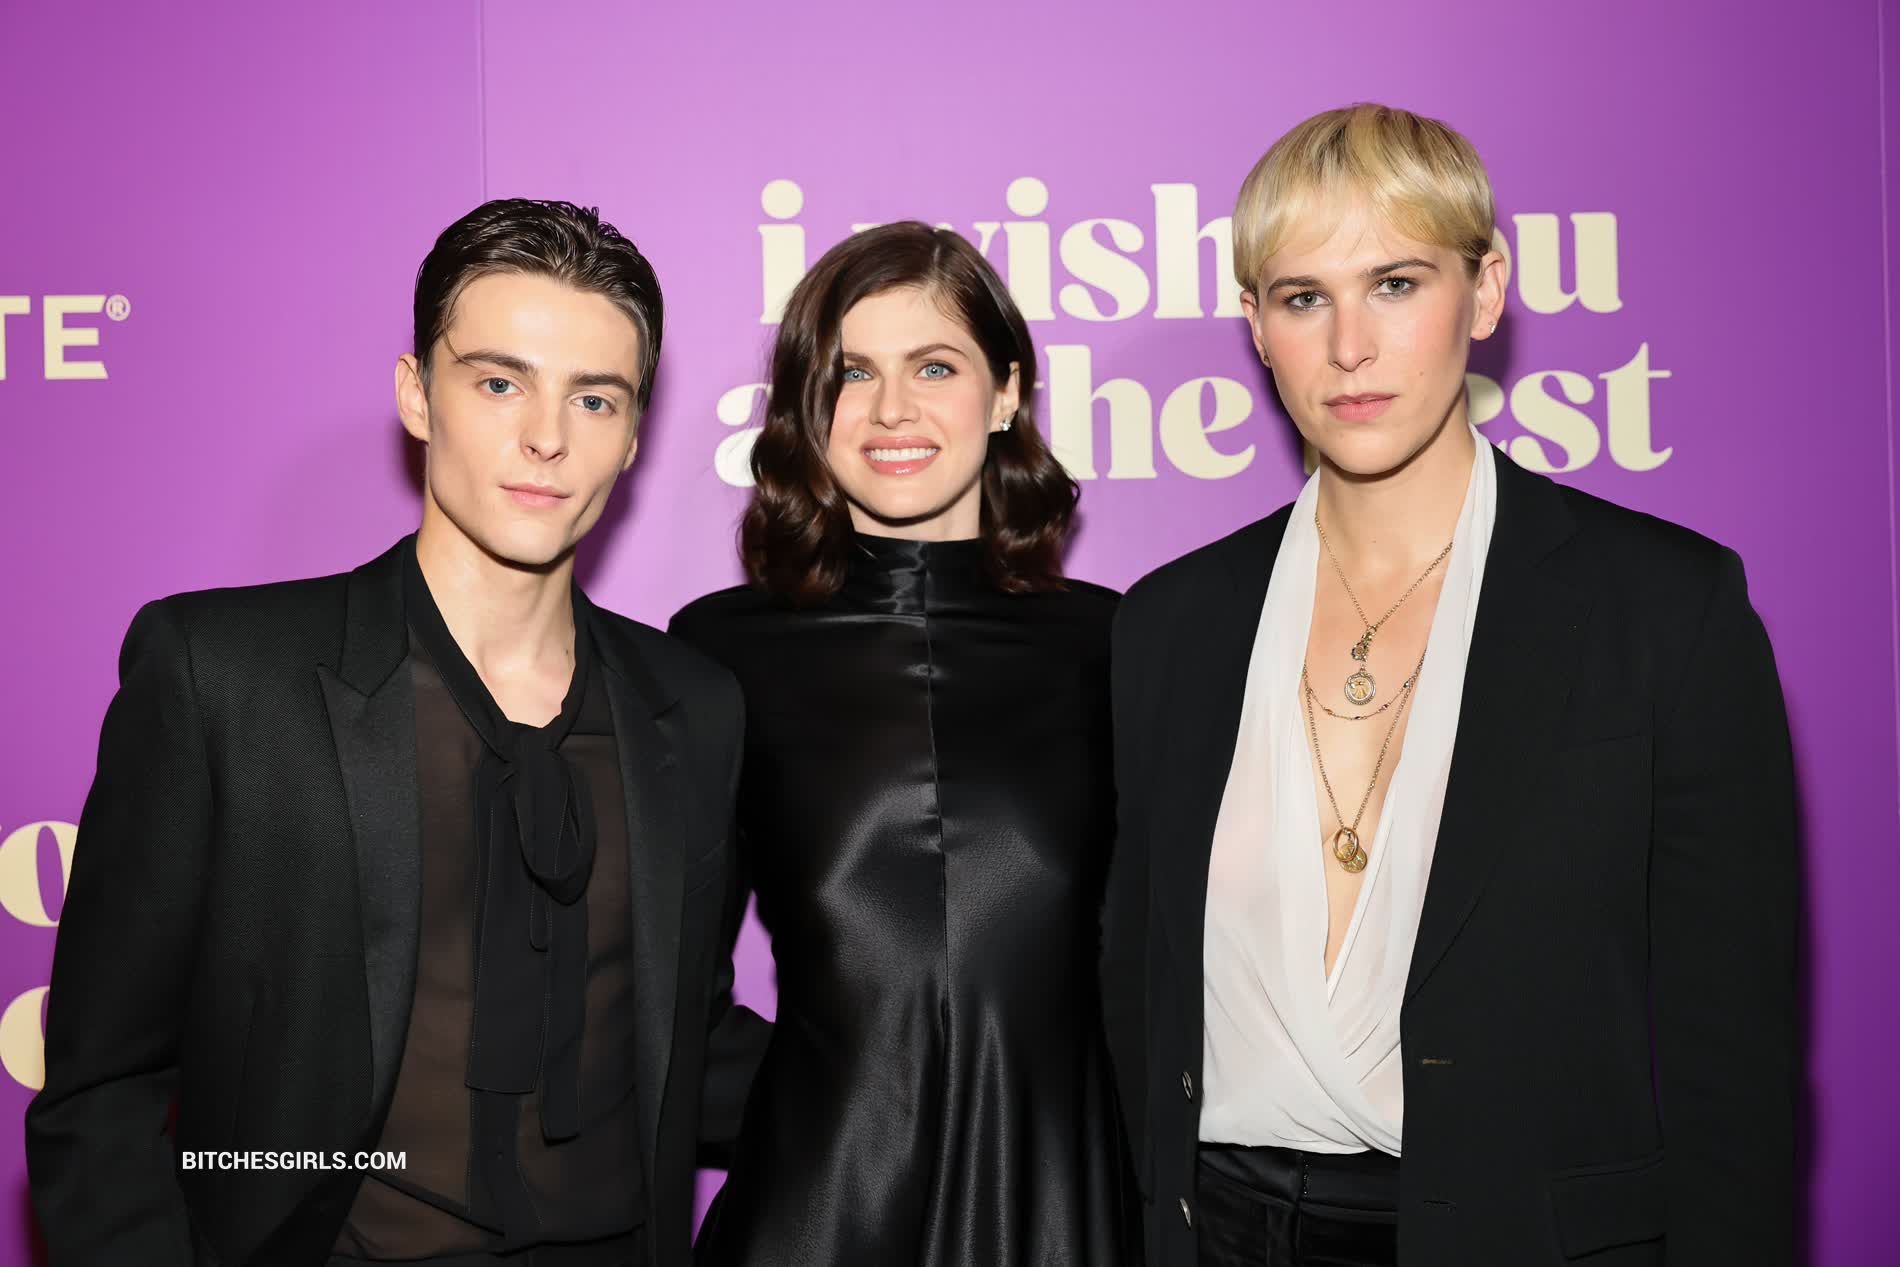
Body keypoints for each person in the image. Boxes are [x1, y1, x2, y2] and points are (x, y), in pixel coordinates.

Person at [1101, 104, 1799, 1267]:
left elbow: (1734, 1064)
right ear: (1256, 326)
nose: (1349, 346)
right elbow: (1135, 1000)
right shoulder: (1170, 623)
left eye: (1394, 283)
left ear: (1484, 291)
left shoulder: (1663, 608)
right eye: (1303, 296)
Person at [26, 198, 767, 1267]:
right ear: (418, 395)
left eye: (594, 397)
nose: (547, 437)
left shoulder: (693, 706)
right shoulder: (225, 677)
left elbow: (688, 1040)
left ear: (633, 436)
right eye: (499, 382)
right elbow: (102, 1090)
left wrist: (951, 1072)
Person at [670, 221, 1135, 1266]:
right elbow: (663, 990)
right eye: (852, 373)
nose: (891, 411)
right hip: (817, 1205)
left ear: (1006, 393)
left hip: (1057, 1205)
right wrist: (824, 1099)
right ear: (806, 404)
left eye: (934, 367)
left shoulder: (1117, 647)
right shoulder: (719, 652)